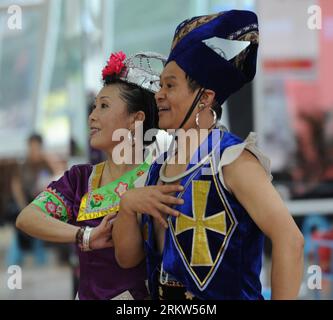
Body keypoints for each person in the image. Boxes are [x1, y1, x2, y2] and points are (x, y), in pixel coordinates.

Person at [113, 10, 304, 300]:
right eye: (160, 85)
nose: (158, 95)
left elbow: (289, 238)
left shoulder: (232, 159)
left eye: (170, 85)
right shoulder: (159, 167)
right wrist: (127, 206)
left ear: (205, 98)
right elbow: (128, 261)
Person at [16, 51, 181, 300]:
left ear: (136, 120)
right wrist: (85, 235)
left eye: (104, 106)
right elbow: (27, 218)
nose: (92, 116)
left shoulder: (157, 176)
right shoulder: (80, 179)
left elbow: (132, 259)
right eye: (94, 107)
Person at [6, 134, 56, 266]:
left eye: (36, 147)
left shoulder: (45, 163)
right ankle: (15, 259)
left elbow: (56, 179)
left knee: (39, 222)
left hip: (41, 203)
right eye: (31, 147)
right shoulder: (23, 165)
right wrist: (24, 206)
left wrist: (49, 159)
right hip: (23, 204)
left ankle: (39, 257)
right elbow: (16, 186)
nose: (33, 150)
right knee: (20, 224)